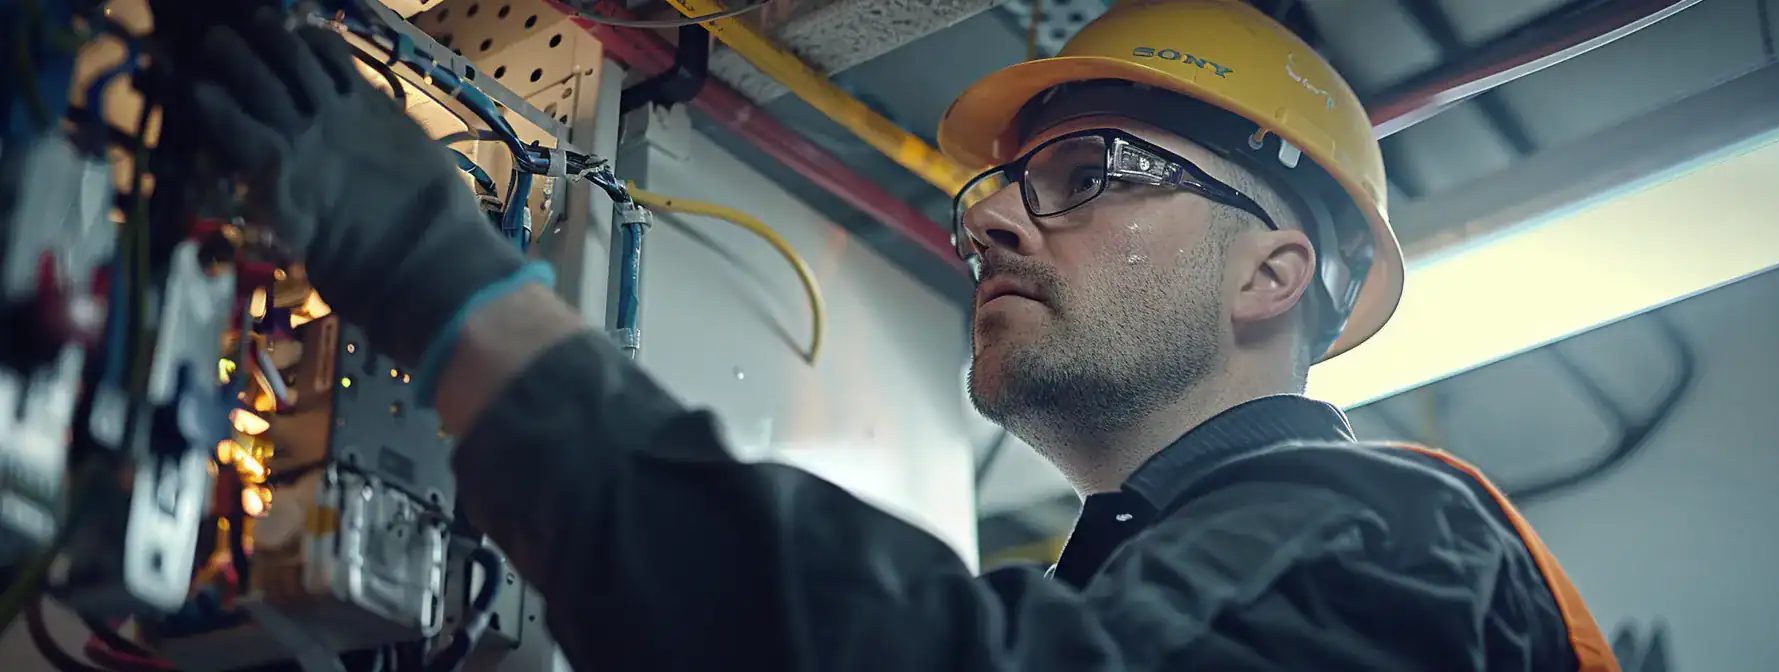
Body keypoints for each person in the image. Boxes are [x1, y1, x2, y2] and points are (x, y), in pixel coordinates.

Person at [174, 1, 1621, 670]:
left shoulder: (1387, 541)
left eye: (1089, 177)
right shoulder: (1159, 583)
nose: (990, 224)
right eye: (1002, 191)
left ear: (1273, 270)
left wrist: (441, 282)